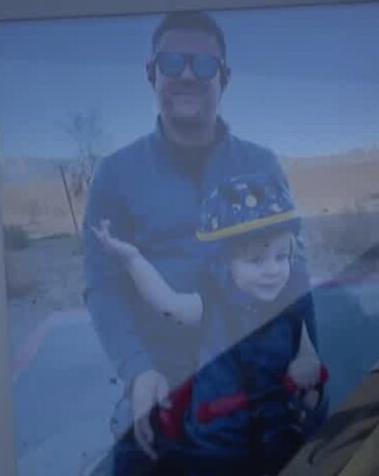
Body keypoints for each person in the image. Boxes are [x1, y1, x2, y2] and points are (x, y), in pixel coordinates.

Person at [81, 10, 316, 475]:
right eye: (172, 62)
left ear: (223, 78)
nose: (187, 75)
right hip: (165, 374)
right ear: (152, 73)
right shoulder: (116, 174)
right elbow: (104, 287)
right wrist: (137, 370)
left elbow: (297, 267)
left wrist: (307, 349)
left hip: (261, 367)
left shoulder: (262, 163)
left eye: (204, 65)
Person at [91, 172, 328, 476]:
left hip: (275, 434)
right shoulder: (213, 303)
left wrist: (307, 365)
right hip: (213, 444)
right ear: (223, 264)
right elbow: (168, 304)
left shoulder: (291, 304)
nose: (272, 271)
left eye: (281, 257)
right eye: (256, 261)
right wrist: (131, 259)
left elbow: (308, 350)